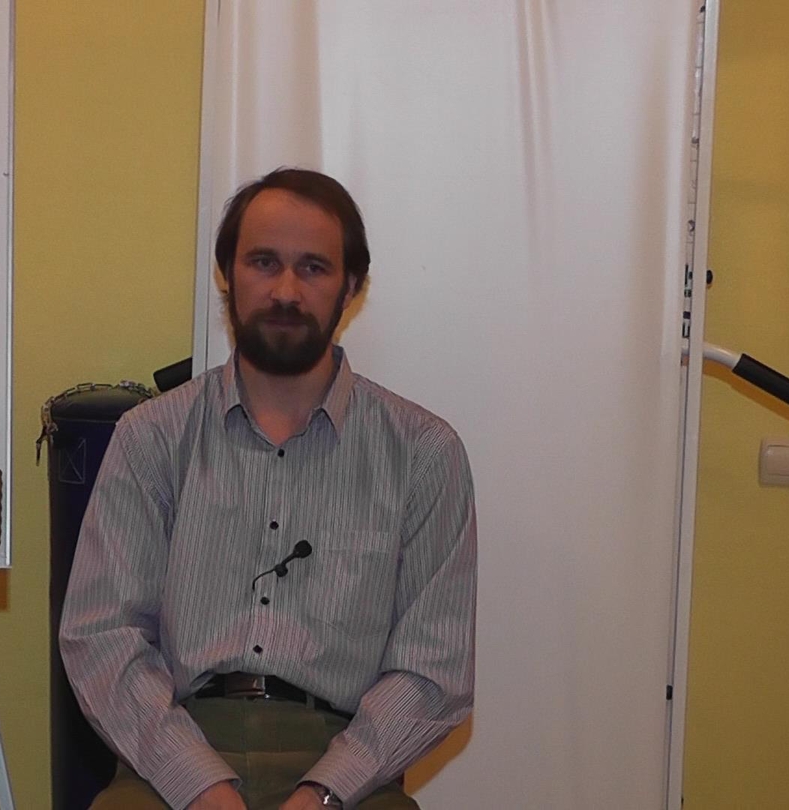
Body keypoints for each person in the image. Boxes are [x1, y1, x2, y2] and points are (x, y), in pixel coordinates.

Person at [60, 168, 477, 810]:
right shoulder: (152, 438)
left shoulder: (424, 454)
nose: (285, 290)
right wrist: (199, 783)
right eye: (263, 262)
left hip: (348, 769)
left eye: (313, 268)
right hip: (172, 756)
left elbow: (433, 671)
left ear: (352, 286)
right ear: (227, 273)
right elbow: (102, 635)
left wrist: (325, 791)